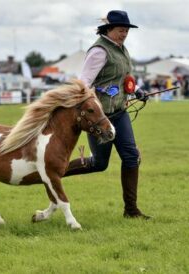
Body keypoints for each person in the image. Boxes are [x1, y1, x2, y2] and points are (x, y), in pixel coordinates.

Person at [64, 10, 150, 219]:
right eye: (121, 30)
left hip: (119, 113)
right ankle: (56, 171)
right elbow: (83, 84)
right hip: (99, 118)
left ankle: (131, 210)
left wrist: (136, 89)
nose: (124, 34)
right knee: (99, 164)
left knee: (131, 157)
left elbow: (122, 77)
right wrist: (98, 96)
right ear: (109, 29)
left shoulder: (121, 49)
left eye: (126, 30)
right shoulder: (99, 51)